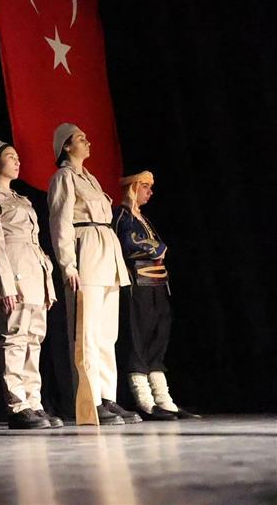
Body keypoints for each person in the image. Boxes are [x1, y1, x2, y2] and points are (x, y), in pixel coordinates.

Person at [47, 123, 139, 425]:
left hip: (106, 253)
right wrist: (68, 265)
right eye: (80, 139)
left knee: (107, 334)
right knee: (86, 332)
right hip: (85, 251)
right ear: (66, 146)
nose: (87, 142)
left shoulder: (91, 178)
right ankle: (90, 399)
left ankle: (107, 396)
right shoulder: (63, 178)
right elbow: (60, 223)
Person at [0, 135, 61, 430]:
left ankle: (34, 402)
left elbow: (35, 243)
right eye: (10, 157)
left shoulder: (22, 200)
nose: (17, 161)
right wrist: (5, 286)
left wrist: (48, 283)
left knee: (34, 339)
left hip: (34, 273)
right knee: (14, 339)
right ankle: (17, 405)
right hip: (15, 275)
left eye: (17, 157)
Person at [114, 171, 200, 420]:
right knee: (139, 337)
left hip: (157, 283)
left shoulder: (143, 218)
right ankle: (144, 401)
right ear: (133, 188)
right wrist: (158, 248)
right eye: (145, 187)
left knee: (158, 335)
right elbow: (127, 243)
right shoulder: (121, 215)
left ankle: (164, 400)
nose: (150, 192)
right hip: (139, 282)